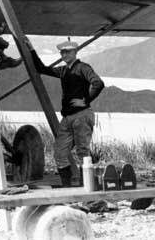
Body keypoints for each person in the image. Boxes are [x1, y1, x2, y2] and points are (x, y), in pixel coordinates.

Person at [28, 37, 105, 187]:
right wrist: (31, 49)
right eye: (62, 52)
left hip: (82, 115)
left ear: (75, 52)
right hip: (68, 117)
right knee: (60, 152)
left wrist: (86, 100)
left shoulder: (83, 67)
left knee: (83, 151)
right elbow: (42, 69)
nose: (64, 55)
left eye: (67, 52)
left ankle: (86, 187)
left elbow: (98, 83)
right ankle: (67, 187)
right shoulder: (64, 70)